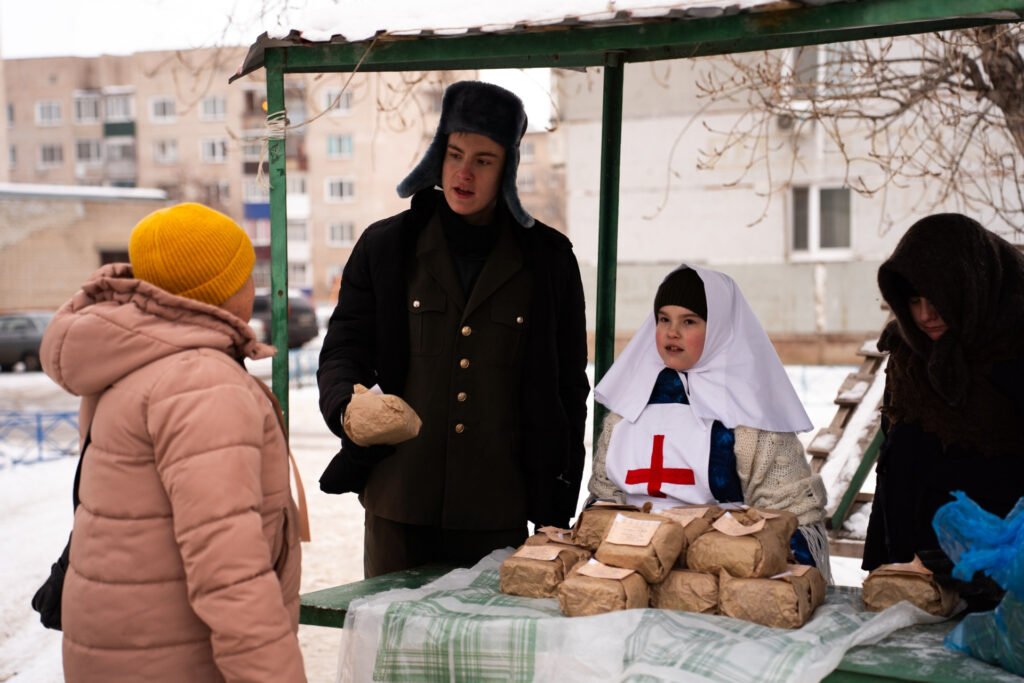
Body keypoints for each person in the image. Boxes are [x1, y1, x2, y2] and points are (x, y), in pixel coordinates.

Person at [317, 80, 590, 578]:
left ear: (507, 167)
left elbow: (568, 387)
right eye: (455, 154)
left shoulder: (548, 260)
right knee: (395, 653)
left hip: (498, 512)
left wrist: (556, 507)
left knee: (487, 655)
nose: (464, 173)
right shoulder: (386, 247)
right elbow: (343, 351)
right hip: (398, 503)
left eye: (483, 160)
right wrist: (346, 408)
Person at [40, 203, 307, 682]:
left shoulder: (136, 358)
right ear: (222, 290)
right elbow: (230, 570)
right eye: (246, 275)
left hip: (121, 643)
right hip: (175, 657)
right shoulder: (200, 381)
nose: (253, 287)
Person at [589, 264, 832, 578]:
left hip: (722, 574)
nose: (671, 332)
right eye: (663, 319)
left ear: (719, 327)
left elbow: (789, 515)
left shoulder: (753, 413)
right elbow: (604, 495)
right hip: (629, 567)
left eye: (689, 321)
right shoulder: (629, 403)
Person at [863, 213, 1024, 607]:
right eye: (913, 301)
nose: (924, 316)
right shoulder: (908, 352)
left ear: (968, 287)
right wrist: (891, 561)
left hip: (1004, 578)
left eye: (937, 300)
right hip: (916, 570)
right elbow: (895, 454)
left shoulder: (1016, 345)